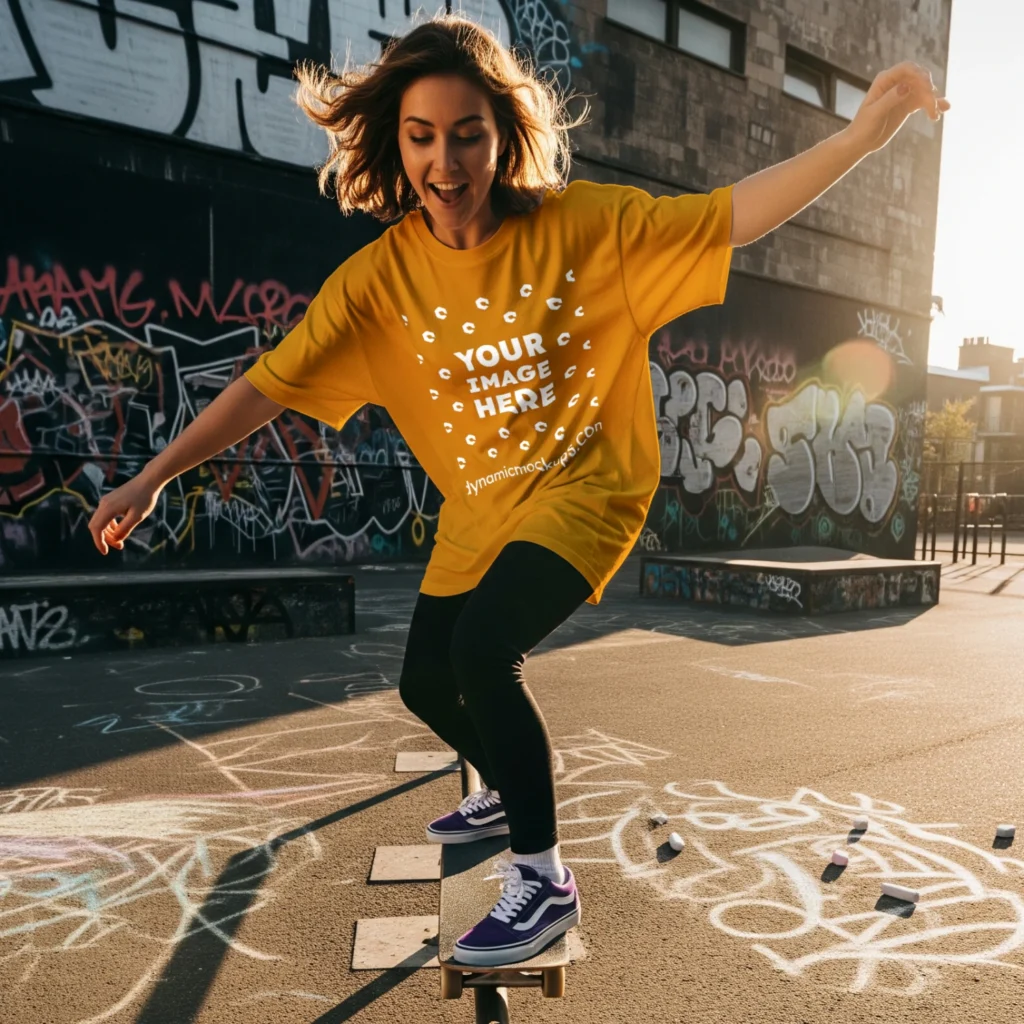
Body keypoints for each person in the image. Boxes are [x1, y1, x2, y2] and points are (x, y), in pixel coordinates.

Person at [88, 14, 948, 968]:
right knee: (426, 679)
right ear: (396, 143)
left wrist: (861, 137)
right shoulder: (378, 282)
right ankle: (509, 780)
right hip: (482, 512)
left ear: (504, 138)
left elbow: (732, 214)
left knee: (482, 648)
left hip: (590, 489)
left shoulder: (586, 229)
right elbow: (264, 385)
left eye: (468, 135)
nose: (445, 164)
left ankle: (543, 881)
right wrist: (151, 476)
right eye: (422, 137)